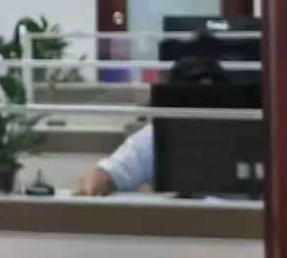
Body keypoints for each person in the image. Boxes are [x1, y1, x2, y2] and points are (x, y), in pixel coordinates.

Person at [74, 33, 232, 196]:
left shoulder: (244, 132)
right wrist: (96, 184)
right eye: (192, 100)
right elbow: (102, 175)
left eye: (210, 101)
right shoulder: (155, 137)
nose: (201, 112)